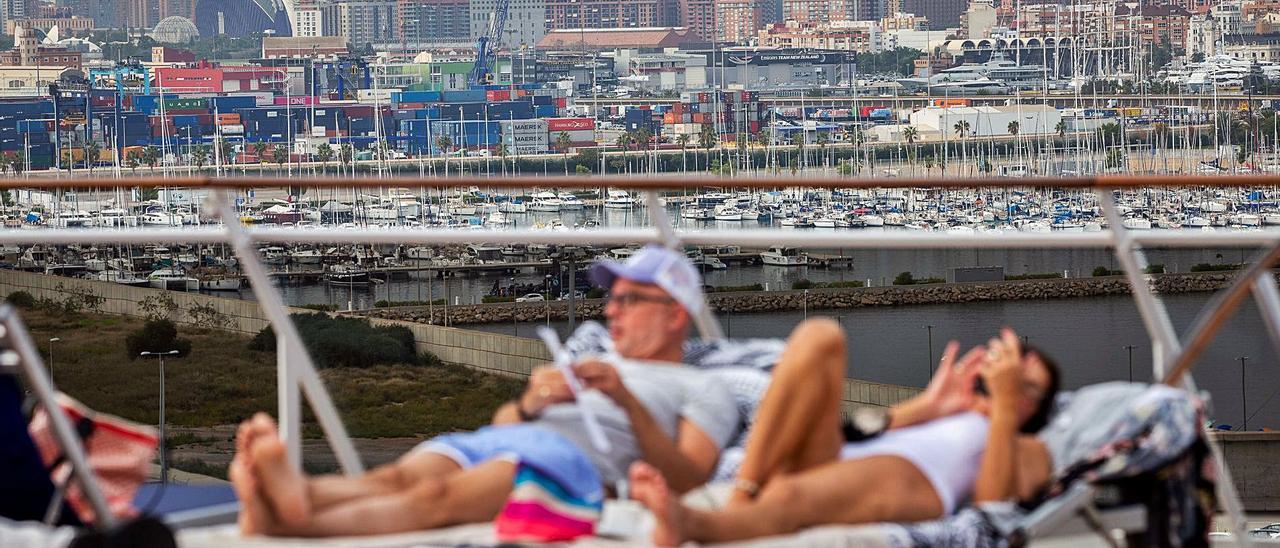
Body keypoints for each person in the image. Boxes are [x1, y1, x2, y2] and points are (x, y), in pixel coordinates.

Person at [230, 245, 740, 537]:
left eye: (628, 299)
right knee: (397, 476)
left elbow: (689, 478)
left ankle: (293, 525)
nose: (611, 310)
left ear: (675, 313)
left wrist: (625, 400)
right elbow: (503, 427)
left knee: (435, 497)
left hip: (574, 465)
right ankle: (290, 499)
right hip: (507, 439)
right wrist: (530, 403)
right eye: (612, 298)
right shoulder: (594, 359)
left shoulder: (701, 387)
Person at [630, 322, 1061, 546]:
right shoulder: (948, 410)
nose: (1009, 382)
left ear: (1036, 410)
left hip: (912, 480)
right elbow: (854, 432)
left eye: (1027, 386)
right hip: (848, 456)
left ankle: (693, 523)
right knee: (820, 336)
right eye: (1010, 369)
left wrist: (1003, 410)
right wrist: (921, 409)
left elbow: (991, 510)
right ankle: (744, 494)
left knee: (794, 497)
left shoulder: (1027, 445)